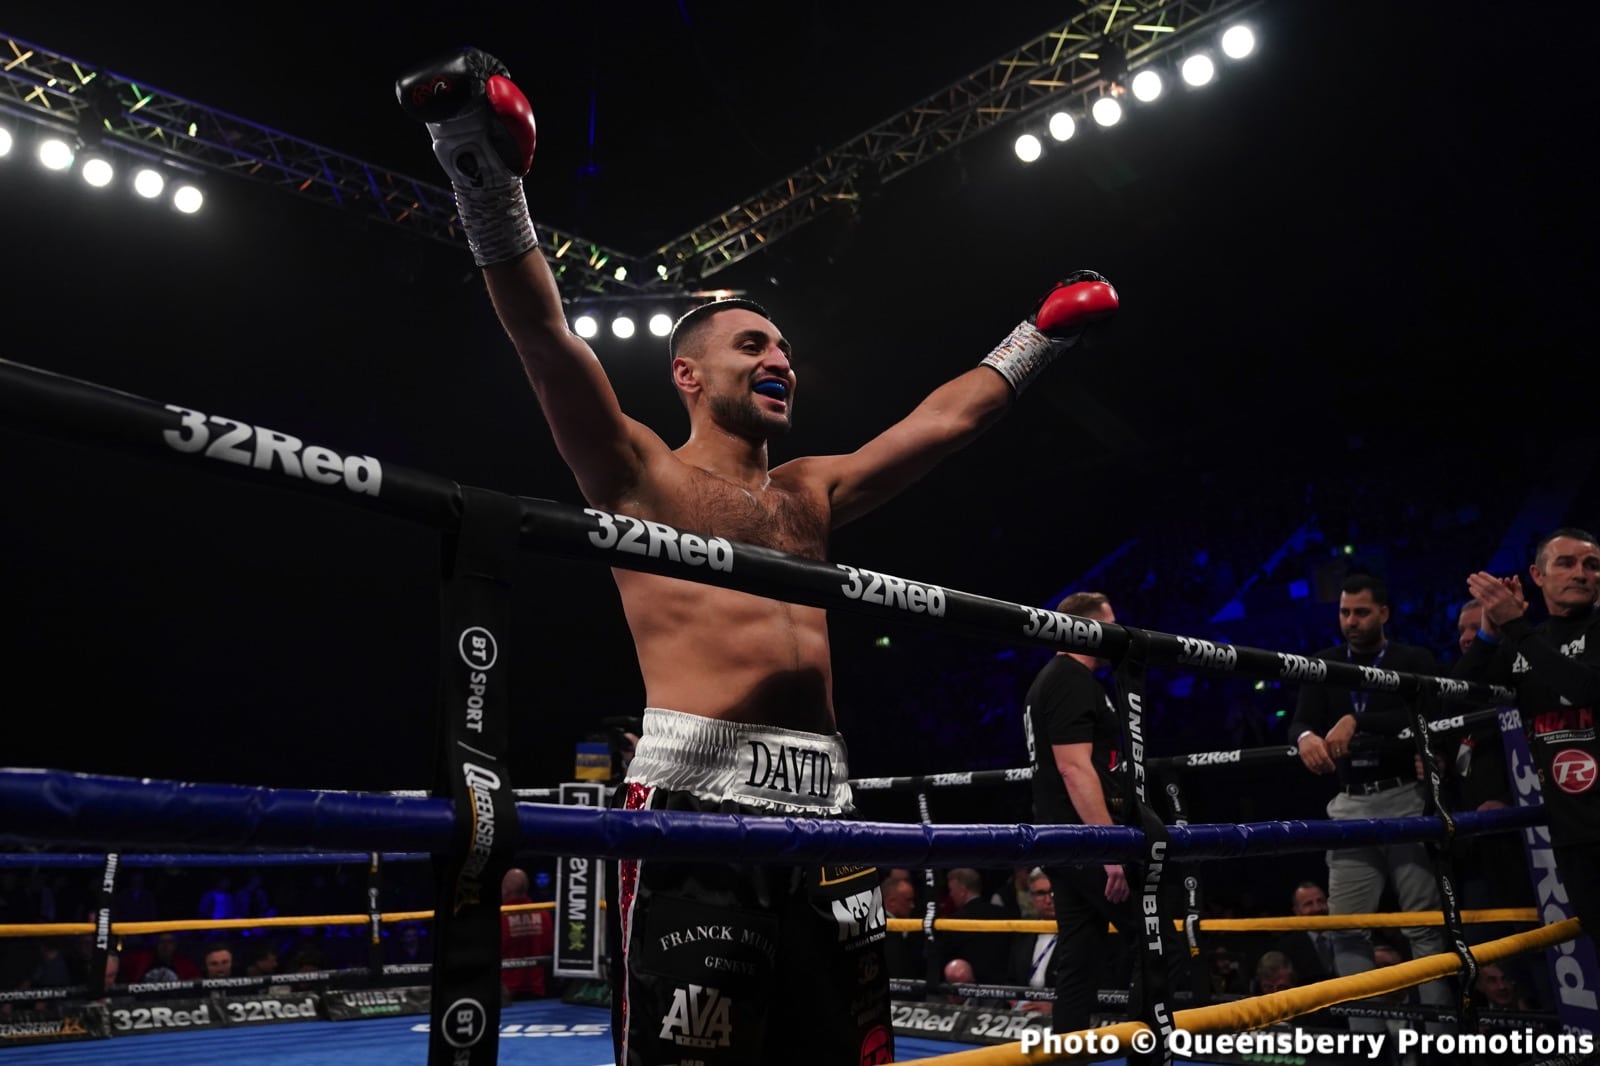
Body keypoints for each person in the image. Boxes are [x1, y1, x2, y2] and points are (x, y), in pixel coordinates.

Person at [396, 46, 1118, 1066]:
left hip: (823, 802)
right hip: (694, 799)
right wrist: (482, 167)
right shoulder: (638, 472)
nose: (779, 360)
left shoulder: (808, 489)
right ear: (687, 374)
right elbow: (544, 337)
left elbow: (942, 422)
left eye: (783, 349)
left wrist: (1038, 338)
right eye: (752, 347)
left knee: (844, 1052)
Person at [1287, 573, 1452, 1017]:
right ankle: (1365, 1039)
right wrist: (1304, 736)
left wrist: (1360, 721)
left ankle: (1437, 1041)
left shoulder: (1413, 658)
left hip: (1405, 797)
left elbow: (1428, 713)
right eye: (1344, 612)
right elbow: (1299, 719)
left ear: (1384, 613)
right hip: (1349, 803)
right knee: (1346, 928)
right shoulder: (1322, 663)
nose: (1352, 621)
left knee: (1424, 926)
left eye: (1361, 612)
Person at [1023, 591, 1185, 1034]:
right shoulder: (1069, 678)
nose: (1117, 634)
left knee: (1080, 957)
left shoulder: (1054, 680)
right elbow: (1074, 768)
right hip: (1086, 839)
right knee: (1161, 944)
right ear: (1086, 628)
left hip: (1067, 840)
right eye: (1109, 625)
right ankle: (1146, 1052)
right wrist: (1109, 847)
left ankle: (1065, 1058)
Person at [1456, 527, 1600, 946]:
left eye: (1592, 565)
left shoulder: (1535, 638)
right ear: (1537, 575)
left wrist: (1516, 626)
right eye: (1566, 563)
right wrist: (1488, 633)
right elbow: (1455, 703)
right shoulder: (1528, 643)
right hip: (1573, 833)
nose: (1581, 574)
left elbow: (1586, 688)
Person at [936, 868, 1011, 985]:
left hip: (968, 988)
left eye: (951, 890)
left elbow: (945, 956)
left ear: (962, 891)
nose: (950, 895)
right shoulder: (1002, 914)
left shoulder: (954, 921)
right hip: (1001, 988)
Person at [1006, 869, 1059, 1013]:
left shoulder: (1079, 934)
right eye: (1041, 894)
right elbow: (1011, 979)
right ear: (1032, 898)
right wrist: (1014, 1001)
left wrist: (1056, 1008)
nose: (1048, 900)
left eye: (1053, 892)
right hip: (1024, 1013)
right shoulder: (1024, 932)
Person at [499, 867, 552, 1000]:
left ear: (505, 890)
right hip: (536, 991)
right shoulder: (543, 913)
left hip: (507, 993)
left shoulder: (501, 917)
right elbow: (548, 946)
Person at [1273, 881, 1334, 987]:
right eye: (1309, 904)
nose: (1317, 908)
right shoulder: (1287, 948)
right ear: (1297, 912)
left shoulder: (1348, 937)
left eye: (1321, 901)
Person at [880, 876, 925, 982]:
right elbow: (898, 970)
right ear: (892, 902)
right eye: (908, 900)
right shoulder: (890, 932)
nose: (912, 906)